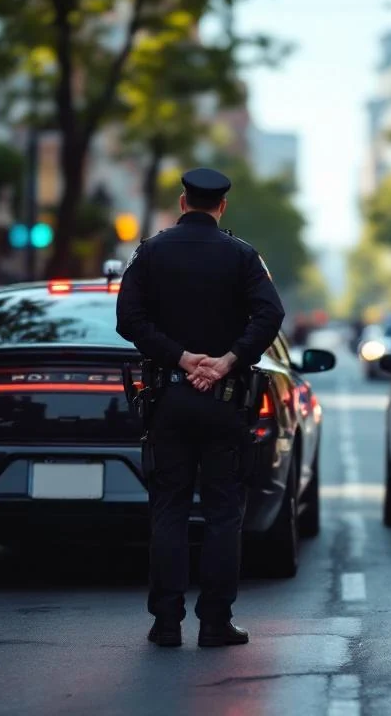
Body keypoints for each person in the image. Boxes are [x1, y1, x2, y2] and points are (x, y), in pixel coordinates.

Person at [116, 167, 285, 648]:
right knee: (222, 513)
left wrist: (180, 357)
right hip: (225, 402)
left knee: (168, 509)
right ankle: (215, 623)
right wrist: (229, 360)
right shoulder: (242, 255)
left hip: (167, 397)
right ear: (221, 206)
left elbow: (128, 319)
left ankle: (166, 624)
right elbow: (271, 313)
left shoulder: (150, 252)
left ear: (182, 202)